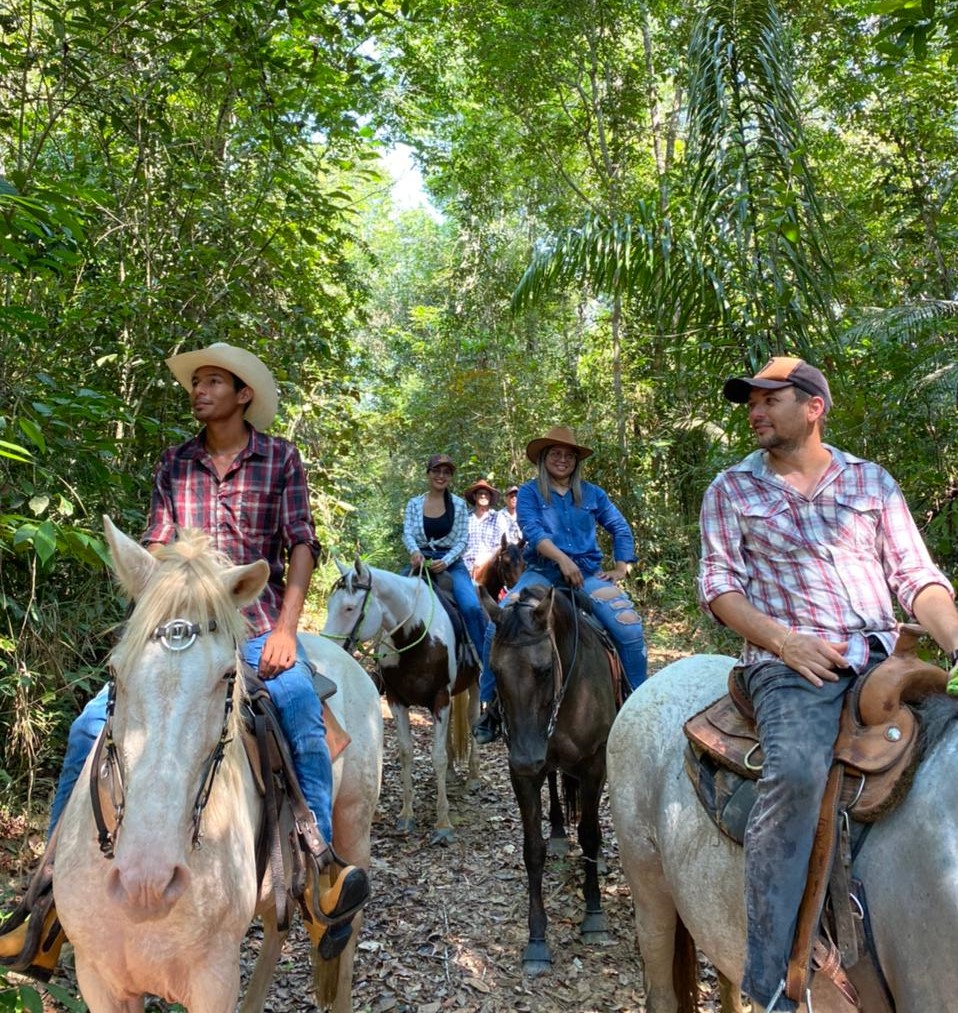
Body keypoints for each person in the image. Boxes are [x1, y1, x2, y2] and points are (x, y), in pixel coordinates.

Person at [0, 342, 368, 972]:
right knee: (89, 724)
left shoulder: (279, 458)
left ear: (242, 394)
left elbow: (300, 547)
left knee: (299, 704)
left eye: (212, 382)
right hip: (175, 630)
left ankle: (319, 870)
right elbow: (155, 551)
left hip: (249, 623)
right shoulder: (175, 463)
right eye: (196, 383)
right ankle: (49, 898)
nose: (199, 391)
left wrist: (285, 628)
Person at [698, 355, 958, 1012]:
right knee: (793, 773)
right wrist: (784, 641)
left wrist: (955, 636)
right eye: (749, 400)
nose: (754, 409)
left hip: (882, 657)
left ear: (814, 406)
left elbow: (915, 577)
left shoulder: (871, 483)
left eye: (769, 398)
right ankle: (772, 980)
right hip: (792, 668)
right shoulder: (732, 490)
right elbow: (720, 587)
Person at [474, 426, 647, 744]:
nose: (562, 459)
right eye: (555, 453)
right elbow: (534, 531)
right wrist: (562, 560)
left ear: (576, 461)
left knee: (629, 628)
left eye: (569, 455)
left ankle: (638, 704)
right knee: (495, 626)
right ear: (544, 458)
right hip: (541, 573)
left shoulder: (593, 493)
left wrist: (622, 566)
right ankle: (490, 708)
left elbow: (620, 527)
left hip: (588, 575)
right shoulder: (529, 493)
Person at [402, 455, 490, 663]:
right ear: (428, 473)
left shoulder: (458, 505)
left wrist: (447, 561)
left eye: (446, 472)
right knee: (391, 596)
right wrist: (415, 552)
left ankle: (485, 663)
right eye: (436, 471)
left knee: (471, 606)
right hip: (420, 559)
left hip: (451, 562)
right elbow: (407, 533)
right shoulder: (414, 504)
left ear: (450, 477)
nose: (441, 476)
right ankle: (382, 665)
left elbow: (462, 540)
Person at [462, 478, 502, 577]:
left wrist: (485, 559)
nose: (483, 496)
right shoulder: (466, 518)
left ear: (490, 497)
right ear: (475, 496)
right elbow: (459, 544)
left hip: (489, 567)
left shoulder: (497, 518)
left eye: (486, 494)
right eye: (480, 493)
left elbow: (500, 545)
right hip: (465, 566)